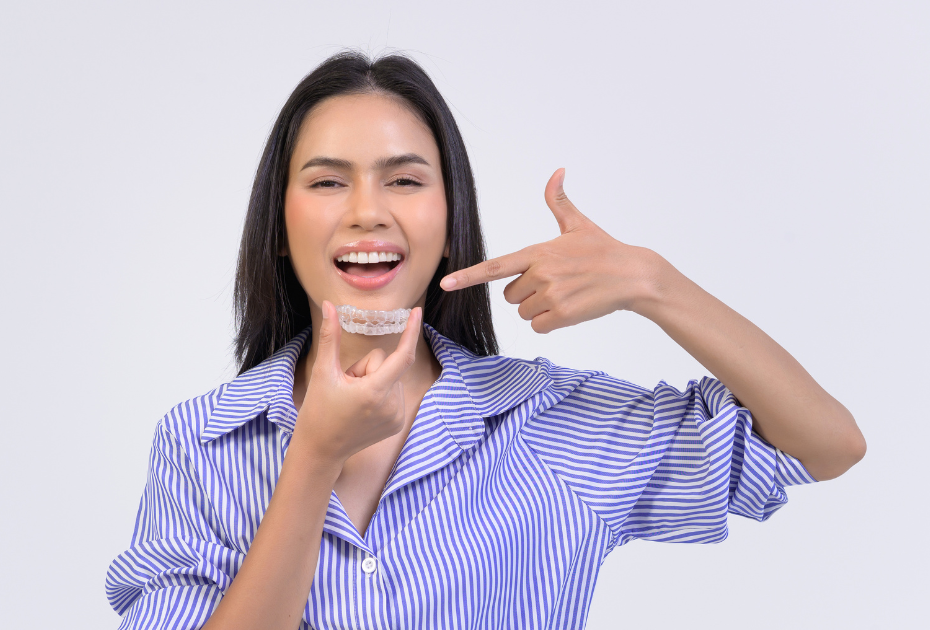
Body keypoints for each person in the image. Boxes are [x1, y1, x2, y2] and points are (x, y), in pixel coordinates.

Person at [105, 51, 866, 630]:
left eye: (404, 180)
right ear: (279, 225)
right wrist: (312, 460)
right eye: (328, 181)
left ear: (448, 224)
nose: (368, 211)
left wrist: (652, 284)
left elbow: (824, 444)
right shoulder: (202, 445)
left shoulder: (548, 423)